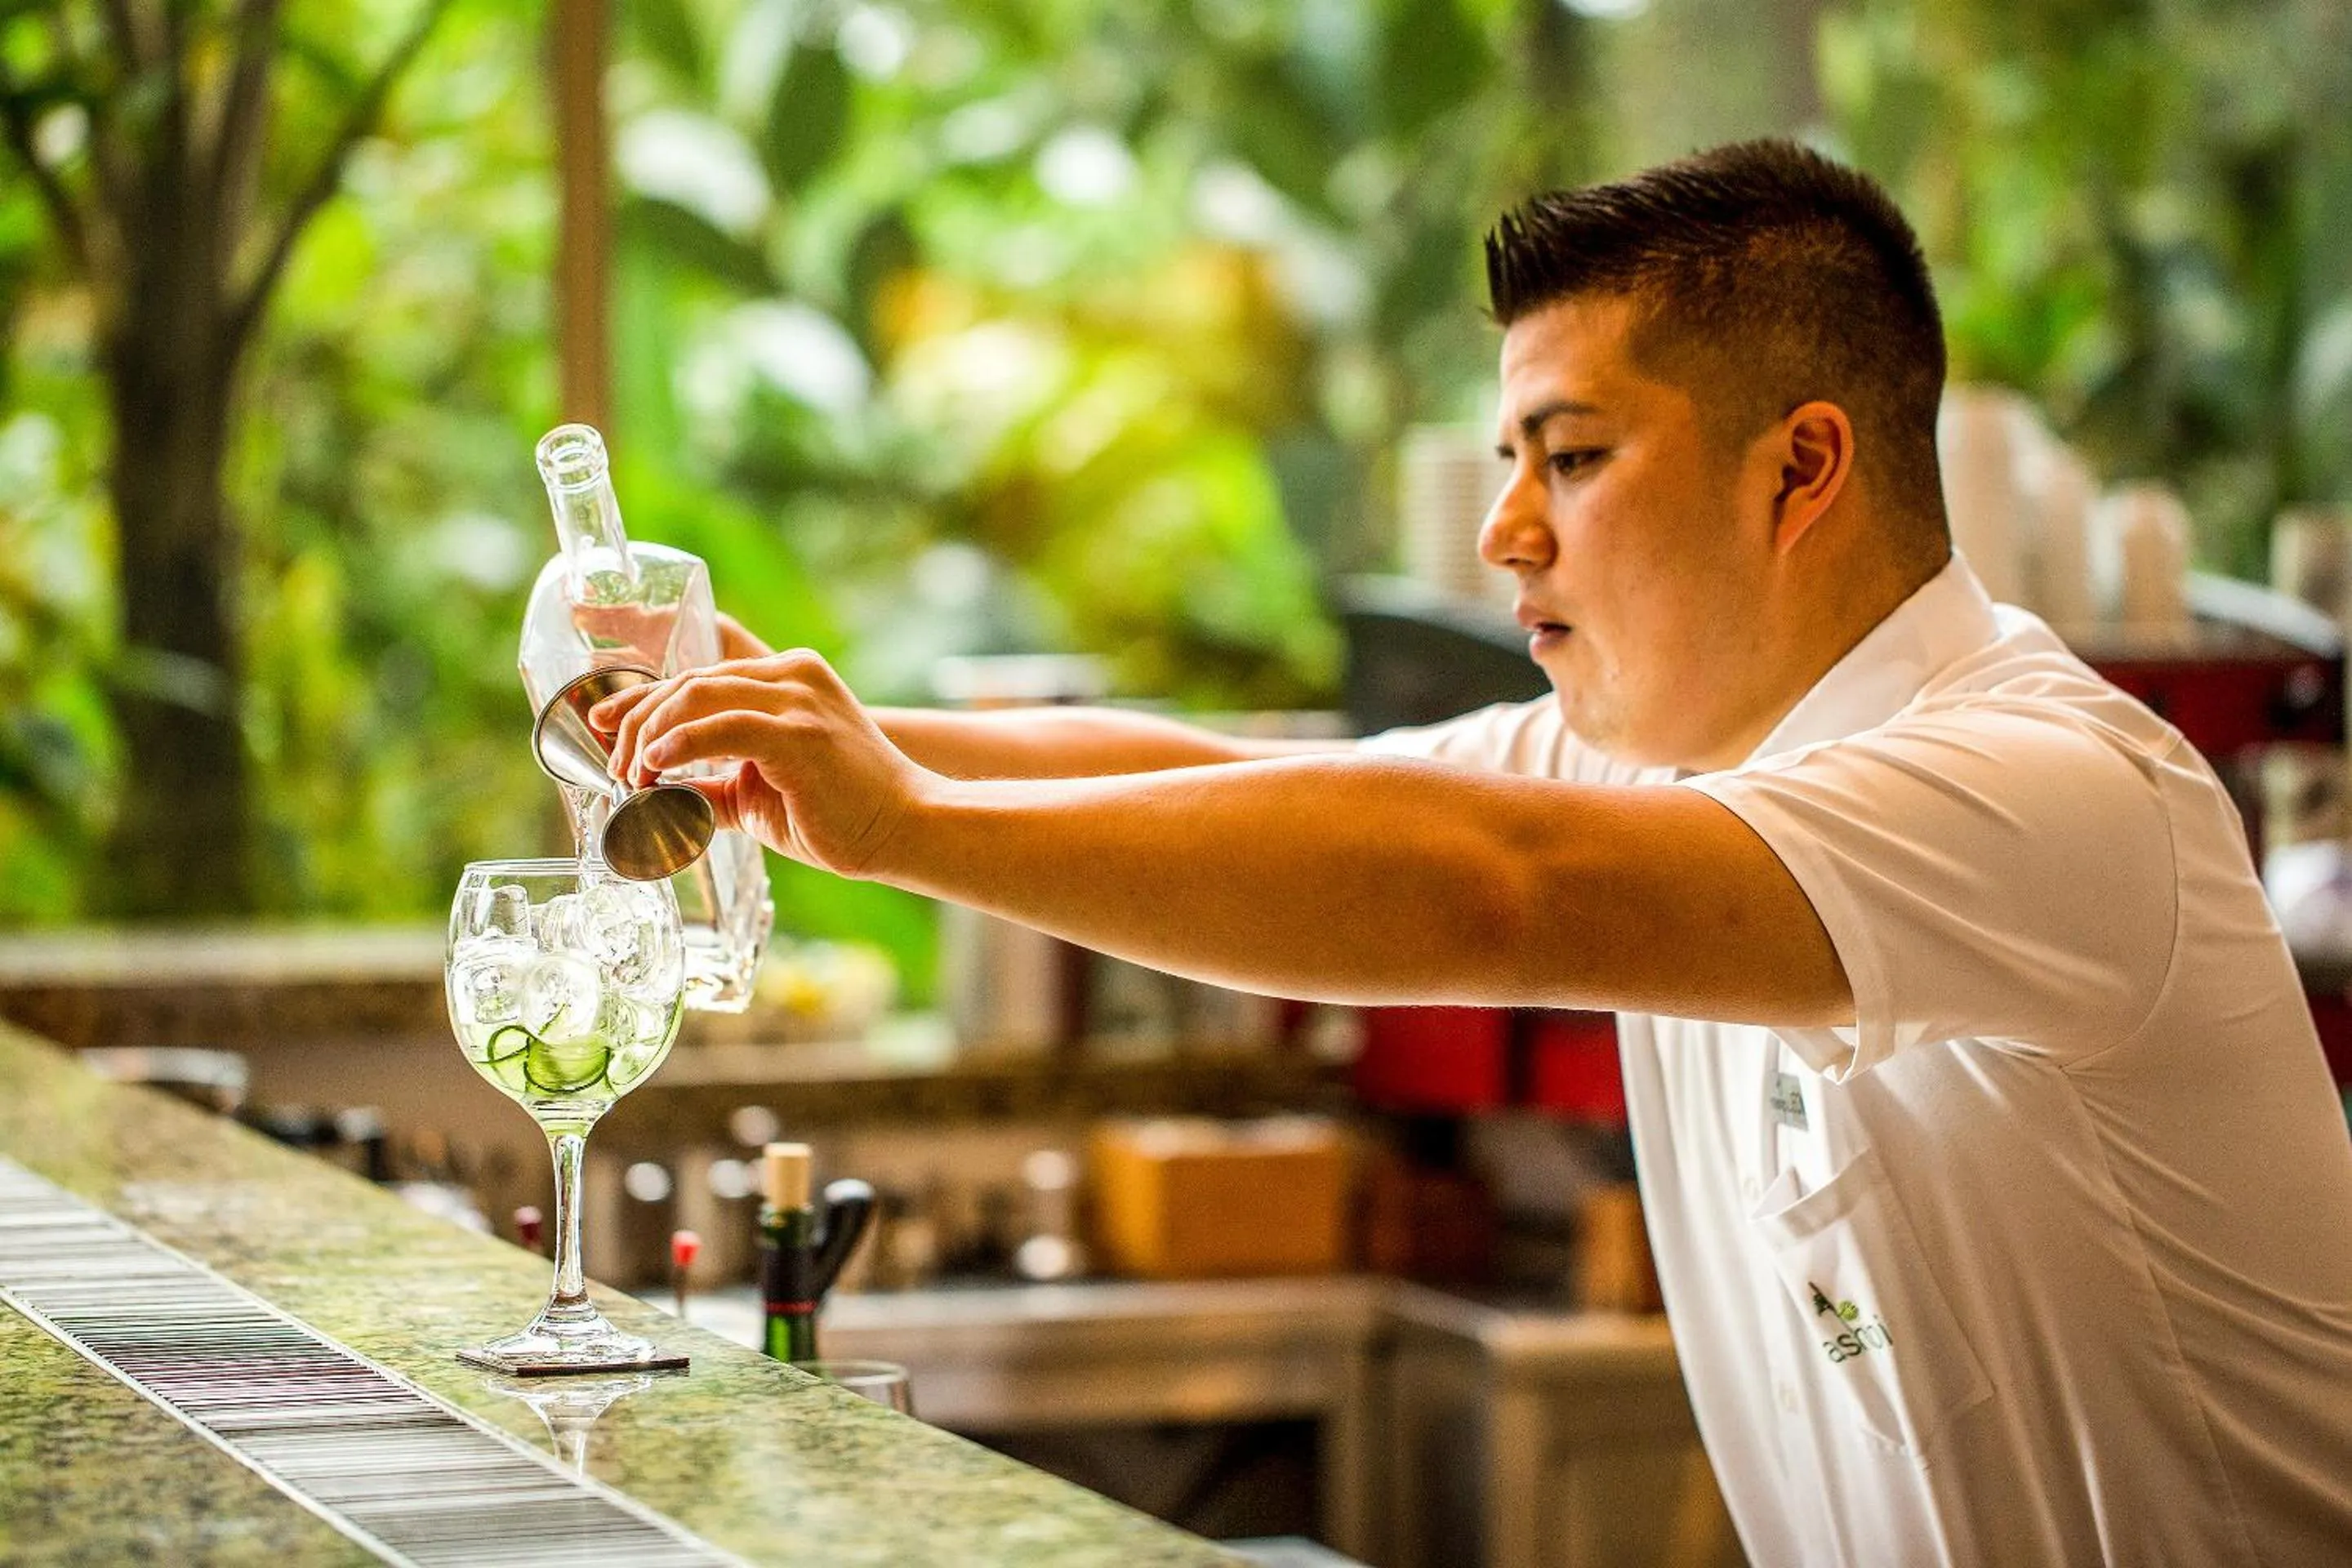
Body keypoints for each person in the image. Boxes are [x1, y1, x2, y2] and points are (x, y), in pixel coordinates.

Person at [591, 140, 2352, 1565]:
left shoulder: (2045, 787)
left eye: (1572, 459)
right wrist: (795, 728)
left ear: (1800, 470)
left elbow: (1488, 881)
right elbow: (1236, 779)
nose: (1507, 532)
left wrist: (909, 826)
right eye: (1511, 457)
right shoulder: (1673, 759)